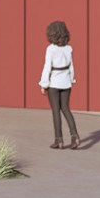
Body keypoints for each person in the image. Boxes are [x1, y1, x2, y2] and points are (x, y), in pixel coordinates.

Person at [39, 20, 80, 150]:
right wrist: (72, 79)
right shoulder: (69, 48)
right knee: (66, 109)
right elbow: (71, 66)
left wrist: (43, 84)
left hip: (54, 84)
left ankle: (59, 140)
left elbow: (47, 67)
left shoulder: (50, 49)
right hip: (66, 82)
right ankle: (75, 135)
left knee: (56, 111)